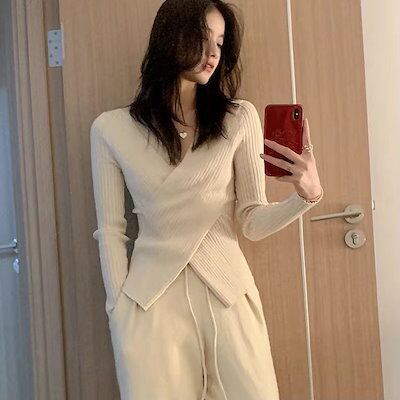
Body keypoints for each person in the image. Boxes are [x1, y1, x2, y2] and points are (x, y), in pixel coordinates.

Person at [90, 1, 323, 399]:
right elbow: (110, 230)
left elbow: (251, 220)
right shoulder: (111, 129)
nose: (213, 53)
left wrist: (307, 196)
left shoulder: (238, 118)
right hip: (149, 302)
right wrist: (119, 308)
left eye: (220, 42)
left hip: (228, 293)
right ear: (170, 36)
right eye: (203, 38)